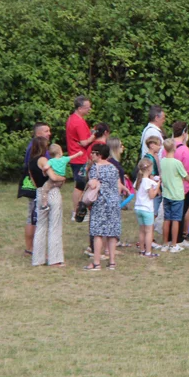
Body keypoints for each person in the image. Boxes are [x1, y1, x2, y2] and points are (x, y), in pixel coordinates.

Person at [30, 140, 67, 267]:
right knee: (54, 226)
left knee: (40, 226)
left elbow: (34, 182)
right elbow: (53, 177)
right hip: (52, 192)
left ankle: (37, 259)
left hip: (40, 193)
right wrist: (63, 178)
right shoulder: (43, 160)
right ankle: (55, 259)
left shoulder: (31, 162)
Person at [85, 143, 122, 271]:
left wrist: (89, 179)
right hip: (114, 202)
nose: (91, 155)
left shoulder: (95, 168)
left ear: (99, 155)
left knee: (98, 233)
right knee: (112, 233)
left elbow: (93, 185)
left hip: (101, 202)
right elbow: (117, 185)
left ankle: (96, 263)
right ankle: (112, 262)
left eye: (93, 153)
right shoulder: (113, 167)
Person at [66, 96, 101, 209]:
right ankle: (76, 210)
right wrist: (95, 135)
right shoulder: (78, 122)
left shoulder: (72, 118)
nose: (89, 110)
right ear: (80, 108)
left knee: (82, 183)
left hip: (76, 155)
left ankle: (80, 207)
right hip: (80, 157)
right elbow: (84, 142)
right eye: (87, 107)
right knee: (80, 185)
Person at [21, 122, 50, 255]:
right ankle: (30, 247)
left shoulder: (36, 147)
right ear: (38, 134)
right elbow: (32, 167)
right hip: (36, 186)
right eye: (46, 131)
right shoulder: (35, 148)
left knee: (33, 215)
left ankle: (32, 246)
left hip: (36, 185)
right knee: (33, 216)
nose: (49, 133)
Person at [159, 138, 188, 253]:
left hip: (166, 194)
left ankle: (165, 243)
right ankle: (174, 244)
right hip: (177, 195)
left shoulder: (162, 161)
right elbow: (185, 176)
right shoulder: (177, 163)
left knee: (167, 219)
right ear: (174, 148)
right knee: (176, 219)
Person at [171, 122, 189, 246]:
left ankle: (171, 237)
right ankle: (179, 238)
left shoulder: (167, 147)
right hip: (183, 186)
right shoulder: (185, 151)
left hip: (170, 185)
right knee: (180, 213)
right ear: (184, 133)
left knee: (171, 213)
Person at [133, 159, 160, 258]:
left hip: (138, 208)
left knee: (141, 230)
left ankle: (142, 250)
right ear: (149, 169)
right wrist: (157, 186)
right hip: (147, 209)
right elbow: (152, 196)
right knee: (149, 231)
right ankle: (148, 252)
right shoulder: (148, 182)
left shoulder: (138, 181)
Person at [142, 135, 164, 239]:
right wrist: (158, 188)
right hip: (153, 187)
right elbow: (151, 175)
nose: (160, 147)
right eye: (158, 145)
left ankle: (150, 236)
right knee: (153, 211)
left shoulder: (151, 157)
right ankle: (149, 236)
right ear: (151, 145)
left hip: (154, 184)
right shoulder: (149, 158)